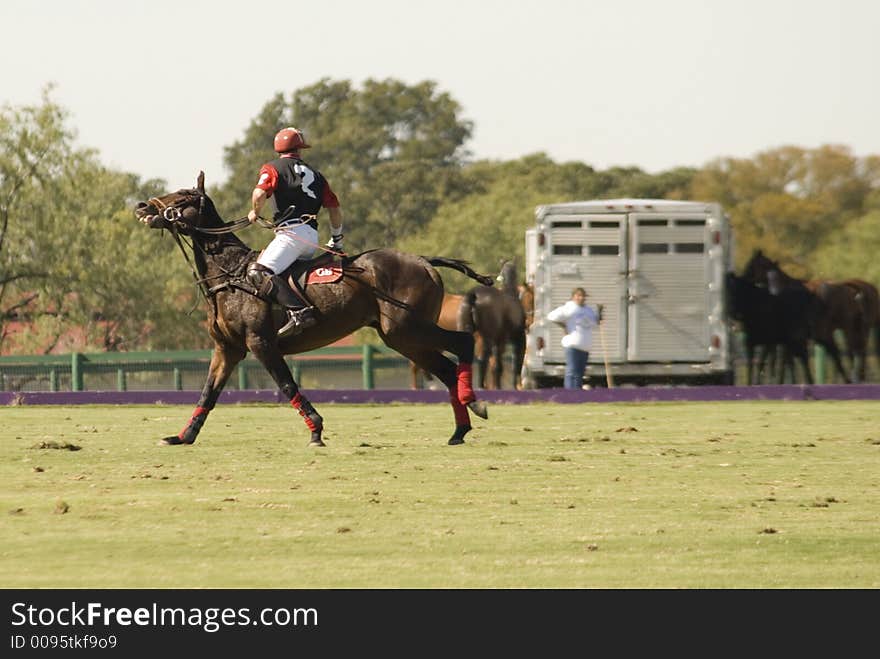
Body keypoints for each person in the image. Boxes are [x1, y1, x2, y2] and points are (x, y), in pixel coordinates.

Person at [246, 127, 345, 338]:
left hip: (291, 236)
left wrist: (255, 212)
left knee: (258, 272)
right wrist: (336, 240)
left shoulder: (272, 168)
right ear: (300, 149)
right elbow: (335, 209)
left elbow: (259, 194)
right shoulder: (317, 175)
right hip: (311, 238)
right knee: (280, 275)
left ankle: (299, 312)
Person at [547, 287, 602, 389]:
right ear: (573, 297)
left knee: (580, 374)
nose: (581, 298)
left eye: (583, 296)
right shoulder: (569, 307)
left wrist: (599, 313)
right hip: (573, 346)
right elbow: (551, 316)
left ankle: (577, 396)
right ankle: (570, 395)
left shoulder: (588, 310)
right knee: (572, 372)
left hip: (585, 346)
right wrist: (563, 326)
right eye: (579, 296)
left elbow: (596, 323)